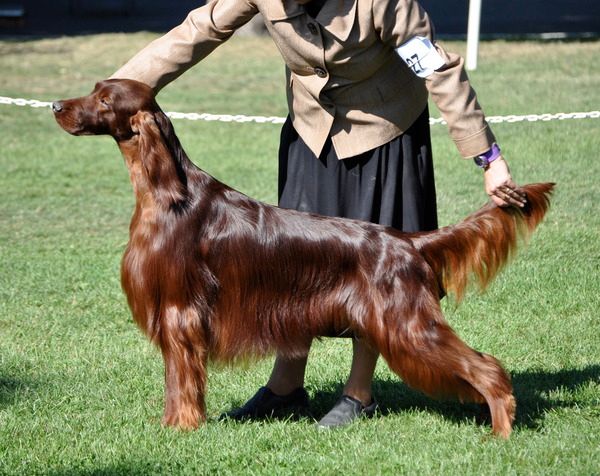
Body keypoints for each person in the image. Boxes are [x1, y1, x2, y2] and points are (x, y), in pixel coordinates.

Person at [110, 0, 526, 428]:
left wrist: (488, 157)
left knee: (376, 270)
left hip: (383, 126)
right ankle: (285, 386)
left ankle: (358, 392)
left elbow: (434, 65)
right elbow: (198, 29)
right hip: (310, 129)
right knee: (293, 258)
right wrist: (116, 90)